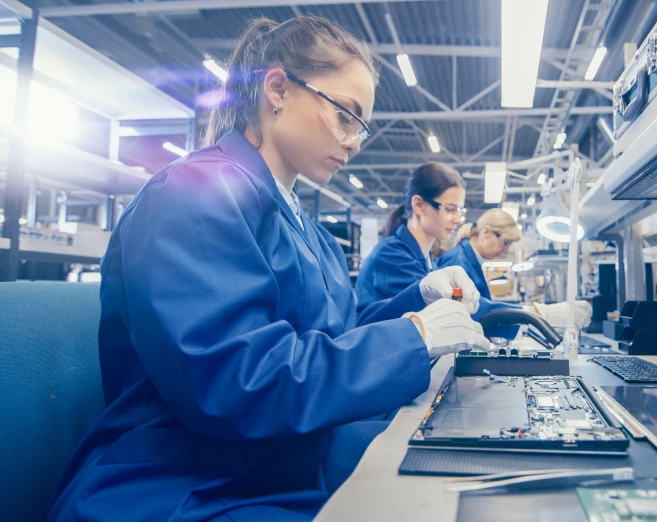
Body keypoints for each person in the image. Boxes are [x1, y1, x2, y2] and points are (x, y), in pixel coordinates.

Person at [48, 16, 491, 522]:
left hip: (273, 466)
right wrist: (412, 338)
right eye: (346, 115)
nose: (354, 141)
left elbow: (330, 341)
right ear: (277, 88)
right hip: (182, 486)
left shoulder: (307, 227)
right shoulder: (192, 196)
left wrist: (421, 303)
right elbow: (238, 381)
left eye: (361, 126)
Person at [355, 162, 520, 339]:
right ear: (419, 205)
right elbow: (449, 309)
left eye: (460, 211)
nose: (457, 219)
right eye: (450, 210)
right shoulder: (391, 255)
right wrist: (526, 316)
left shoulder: (427, 259)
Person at [439, 209, 594, 330]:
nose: (506, 250)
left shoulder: (468, 259)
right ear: (486, 232)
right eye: (505, 242)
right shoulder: (458, 262)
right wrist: (537, 314)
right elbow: (471, 311)